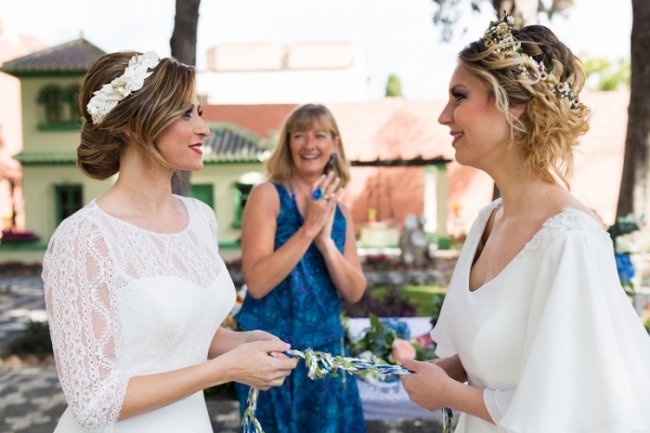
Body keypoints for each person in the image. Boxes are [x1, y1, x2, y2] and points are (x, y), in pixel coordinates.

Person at [400, 15, 650, 433]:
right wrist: (451, 369)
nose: (445, 116)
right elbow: (510, 342)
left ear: (515, 107)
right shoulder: (487, 222)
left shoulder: (571, 240)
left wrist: (448, 395)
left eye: (459, 97)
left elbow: (574, 398)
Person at [42, 50, 298, 433]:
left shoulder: (200, 219)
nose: (204, 129)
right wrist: (225, 370)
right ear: (134, 126)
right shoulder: (83, 239)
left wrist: (244, 343)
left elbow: (186, 336)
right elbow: (95, 403)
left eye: (199, 113)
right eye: (184, 114)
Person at [234, 104, 367, 432]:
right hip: (271, 355)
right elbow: (258, 282)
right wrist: (308, 230)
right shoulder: (268, 196)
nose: (310, 144)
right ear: (287, 144)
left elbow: (354, 290)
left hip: (325, 357)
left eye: (319, 135)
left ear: (334, 144)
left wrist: (324, 241)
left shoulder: (342, 213)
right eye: (300, 136)